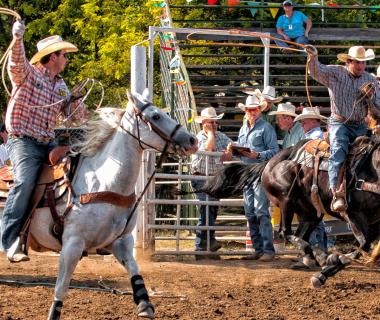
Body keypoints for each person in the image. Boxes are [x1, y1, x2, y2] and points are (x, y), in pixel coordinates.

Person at [1, 21, 87, 262]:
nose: (66, 59)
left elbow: (75, 116)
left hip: (48, 141)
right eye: (63, 55)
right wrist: (17, 40)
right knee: (24, 182)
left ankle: (77, 229)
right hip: (23, 141)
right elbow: (16, 64)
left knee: (80, 164)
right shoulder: (28, 74)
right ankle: (10, 241)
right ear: (52, 57)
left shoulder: (60, 85)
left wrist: (78, 101)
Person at [305, 44, 380, 212]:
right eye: (357, 63)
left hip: (361, 124)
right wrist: (314, 57)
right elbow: (316, 72)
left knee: (374, 152)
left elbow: (379, 106)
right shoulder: (336, 73)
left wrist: (371, 98)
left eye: (363, 63)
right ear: (349, 62)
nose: (361, 66)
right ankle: (336, 193)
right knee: (338, 151)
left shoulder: (370, 79)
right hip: (340, 123)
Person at [228, 94, 279, 261]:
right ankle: (258, 249)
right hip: (246, 173)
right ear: (246, 111)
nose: (252, 112)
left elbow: (274, 151)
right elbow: (242, 152)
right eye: (250, 110)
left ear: (260, 110)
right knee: (250, 211)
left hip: (259, 172)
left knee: (260, 210)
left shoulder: (266, 128)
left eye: (255, 109)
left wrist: (257, 154)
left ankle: (267, 250)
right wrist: (234, 149)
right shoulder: (243, 129)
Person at [191, 107, 232, 257]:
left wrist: (229, 151)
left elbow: (230, 152)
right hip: (201, 178)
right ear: (204, 123)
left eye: (215, 122)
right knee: (206, 210)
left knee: (211, 211)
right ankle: (201, 247)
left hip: (214, 178)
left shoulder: (221, 136)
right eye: (211, 122)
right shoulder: (199, 137)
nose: (214, 124)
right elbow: (208, 148)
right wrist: (210, 133)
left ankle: (208, 244)